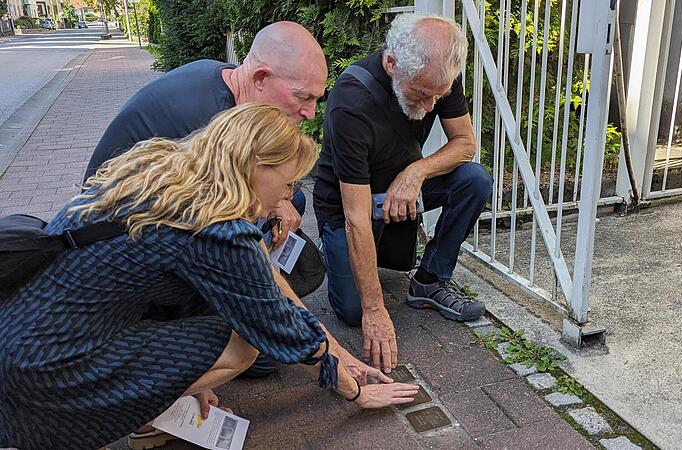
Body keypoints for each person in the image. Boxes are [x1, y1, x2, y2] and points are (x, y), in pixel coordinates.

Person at [0, 104, 419, 450]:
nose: (289, 195)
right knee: (243, 344)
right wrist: (354, 390)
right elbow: (277, 325)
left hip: (17, 330)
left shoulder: (161, 166)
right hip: (47, 364)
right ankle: (145, 415)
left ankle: (154, 406)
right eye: (288, 182)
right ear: (256, 164)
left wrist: (179, 374)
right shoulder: (217, 229)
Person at [82, 21, 365, 378]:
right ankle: (171, 336)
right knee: (263, 354)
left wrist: (279, 200)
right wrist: (331, 353)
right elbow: (243, 245)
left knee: (290, 205)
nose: (310, 112)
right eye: (302, 97)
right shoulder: (205, 123)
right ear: (261, 77)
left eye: (315, 99)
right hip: (119, 261)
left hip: (149, 225)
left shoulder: (224, 80)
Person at [313, 13, 493, 374]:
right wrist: (375, 310)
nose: (430, 107)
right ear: (392, 62)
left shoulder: (439, 75)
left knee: (475, 179)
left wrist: (416, 171)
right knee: (353, 311)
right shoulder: (351, 102)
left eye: (437, 96)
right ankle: (336, 252)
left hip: (401, 190)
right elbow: (355, 216)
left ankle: (429, 282)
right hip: (347, 205)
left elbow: (465, 144)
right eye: (422, 94)